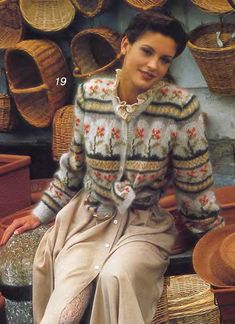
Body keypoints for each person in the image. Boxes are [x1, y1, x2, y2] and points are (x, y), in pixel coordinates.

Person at [0, 9, 224, 324]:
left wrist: (217, 242)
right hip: (86, 222)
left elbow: (195, 188)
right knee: (66, 297)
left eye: (164, 59)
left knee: (116, 276)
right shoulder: (90, 96)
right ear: (124, 46)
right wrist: (39, 215)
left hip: (143, 227)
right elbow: (73, 169)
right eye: (147, 51)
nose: (153, 65)